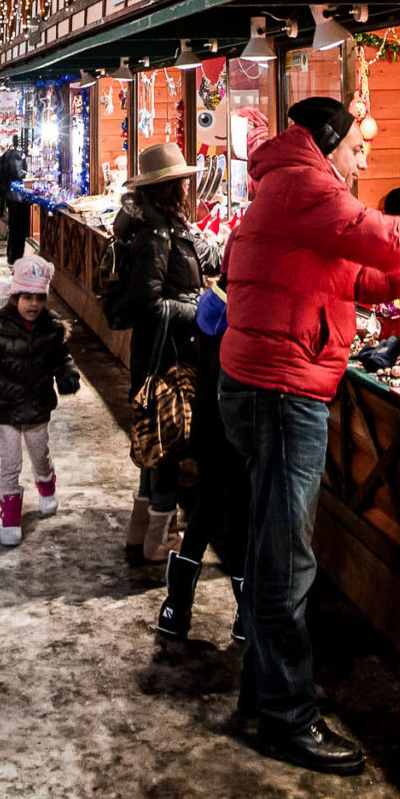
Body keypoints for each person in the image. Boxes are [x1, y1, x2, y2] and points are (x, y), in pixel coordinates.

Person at [221, 96, 400, 774]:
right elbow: (382, 240)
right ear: (328, 142)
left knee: (274, 550)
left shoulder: (291, 185)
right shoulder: (306, 185)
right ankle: (286, 717)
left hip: (272, 383)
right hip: (280, 390)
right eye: (357, 146)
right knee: (288, 561)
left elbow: (358, 278)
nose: (363, 158)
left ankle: (264, 691)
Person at [105, 142, 218, 566]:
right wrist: (199, 308)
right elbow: (148, 305)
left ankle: (142, 531)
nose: (187, 189)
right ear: (170, 188)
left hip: (158, 353)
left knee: (154, 441)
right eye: (181, 183)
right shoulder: (155, 233)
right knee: (167, 442)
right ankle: (160, 539)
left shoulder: (160, 225)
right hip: (165, 356)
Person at [0, 257, 79, 548]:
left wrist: (68, 375)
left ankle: (46, 482)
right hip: (7, 409)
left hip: (37, 407)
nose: (33, 304)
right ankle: (10, 518)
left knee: (39, 455)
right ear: (15, 297)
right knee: (10, 465)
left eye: (39, 298)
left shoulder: (51, 329)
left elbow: (62, 358)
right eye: (27, 297)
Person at [158, 255, 245, 644]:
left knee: (206, 509)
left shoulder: (211, 304)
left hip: (208, 423)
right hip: (236, 427)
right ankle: (246, 614)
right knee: (240, 516)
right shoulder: (244, 309)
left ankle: (175, 607)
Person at [0, 140, 30, 263]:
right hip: (17, 198)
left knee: (14, 228)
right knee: (18, 229)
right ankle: (15, 257)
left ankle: (12, 256)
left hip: (11, 196)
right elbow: (17, 174)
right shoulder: (17, 155)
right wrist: (27, 175)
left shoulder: (9, 154)